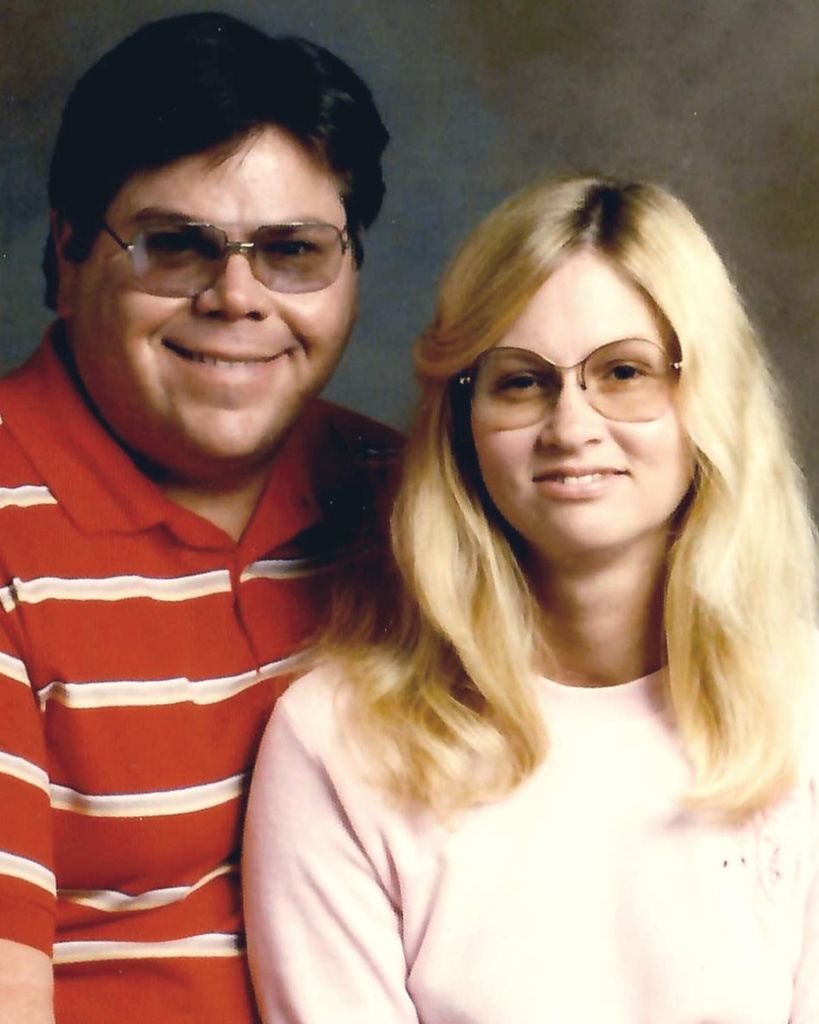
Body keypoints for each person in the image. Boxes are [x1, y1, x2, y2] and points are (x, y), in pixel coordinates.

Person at [244, 175, 819, 1023]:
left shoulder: (803, 707)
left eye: (623, 372)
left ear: (710, 399)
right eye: (519, 382)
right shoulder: (335, 741)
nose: (571, 427)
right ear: (462, 425)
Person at [0, 11, 397, 1024]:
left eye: (293, 251)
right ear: (69, 251)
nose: (237, 298)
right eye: (176, 246)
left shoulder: (411, 505)